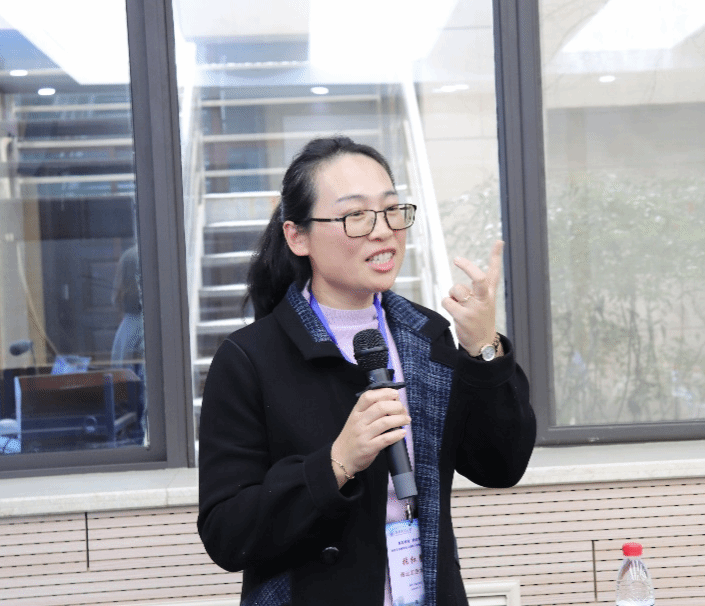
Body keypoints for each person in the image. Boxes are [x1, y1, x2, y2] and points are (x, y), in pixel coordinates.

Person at [197, 136, 535, 606]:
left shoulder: (427, 337)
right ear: (297, 237)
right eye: (356, 215)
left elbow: (500, 465)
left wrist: (483, 347)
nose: (382, 231)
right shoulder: (249, 359)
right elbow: (227, 533)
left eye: (392, 210)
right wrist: (336, 463)